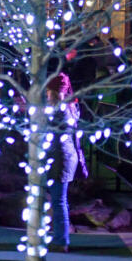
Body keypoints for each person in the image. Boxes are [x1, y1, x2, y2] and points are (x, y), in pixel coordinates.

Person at [47, 72, 88, 254]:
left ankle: (61, 240)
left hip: (59, 159)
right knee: (59, 200)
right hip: (66, 157)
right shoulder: (71, 107)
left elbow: (48, 131)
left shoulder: (58, 110)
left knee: (58, 201)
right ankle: (59, 237)